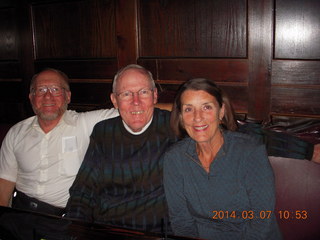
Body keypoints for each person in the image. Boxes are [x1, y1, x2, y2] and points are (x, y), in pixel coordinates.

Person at [162, 78, 282, 239]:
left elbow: (262, 220)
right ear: (182, 118)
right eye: (189, 109)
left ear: (221, 112)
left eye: (206, 107)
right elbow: (181, 222)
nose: (198, 117)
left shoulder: (250, 152)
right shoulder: (174, 159)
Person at [65, 64, 177, 233]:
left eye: (143, 92)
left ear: (155, 96)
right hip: (108, 230)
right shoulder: (103, 132)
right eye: (126, 94)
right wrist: (75, 230)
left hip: (158, 232)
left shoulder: (174, 126)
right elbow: (83, 190)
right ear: (114, 101)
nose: (136, 101)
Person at [0, 68, 118, 216]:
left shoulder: (84, 124)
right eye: (41, 90)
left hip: (62, 220)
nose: (48, 96)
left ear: (67, 96)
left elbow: (132, 113)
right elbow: (4, 184)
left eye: (55, 89)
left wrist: (152, 104)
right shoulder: (16, 133)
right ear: (31, 97)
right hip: (21, 214)